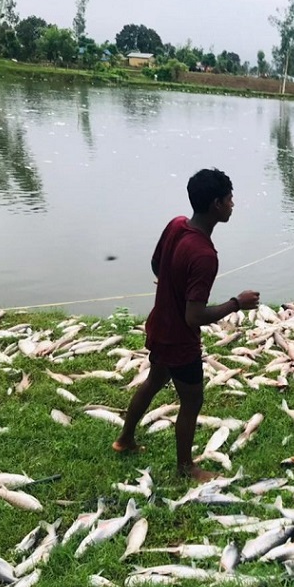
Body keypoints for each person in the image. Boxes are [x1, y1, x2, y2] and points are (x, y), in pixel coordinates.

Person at [113, 168, 260, 482]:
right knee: (192, 401)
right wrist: (237, 303)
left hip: (160, 325)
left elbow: (156, 263)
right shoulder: (204, 255)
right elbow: (194, 316)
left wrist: (171, 283)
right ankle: (185, 467)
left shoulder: (177, 224)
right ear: (216, 205)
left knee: (153, 381)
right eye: (230, 199)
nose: (233, 205)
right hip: (180, 340)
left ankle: (124, 439)